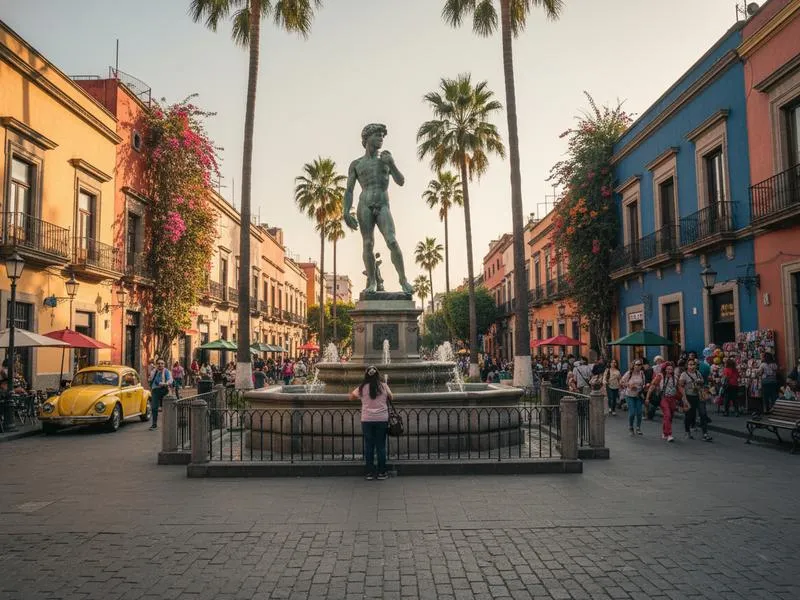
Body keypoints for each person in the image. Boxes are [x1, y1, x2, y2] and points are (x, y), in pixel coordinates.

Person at [343, 123, 414, 295]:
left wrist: (392, 164)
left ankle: (403, 280)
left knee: (392, 240)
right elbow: (349, 189)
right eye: (377, 135)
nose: (381, 138)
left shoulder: (386, 159)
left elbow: (401, 181)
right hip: (364, 204)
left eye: (382, 135)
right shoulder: (356, 164)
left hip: (382, 204)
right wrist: (346, 211)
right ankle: (372, 282)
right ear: (366, 139)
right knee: (368, 243)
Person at [350, 366, 392, 480]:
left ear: (366, 375)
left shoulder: (362, 387)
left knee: (369, 446)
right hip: (381, 419)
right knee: (381, 446)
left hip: (367, 419)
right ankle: (382, 472)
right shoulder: (383, 386)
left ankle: (369, 473)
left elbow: (351, 397)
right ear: (378, 375)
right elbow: (391, 397)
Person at [647, 361, 682, 442]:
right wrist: (647, 398)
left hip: (672, 399)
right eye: (668, 369)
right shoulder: (660, 376)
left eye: (671, 369)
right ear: (665, 369)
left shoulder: (675, 377)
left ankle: (665, 432)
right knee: (667, 414)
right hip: (664, 398)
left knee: (669, 416)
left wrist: (684, 398)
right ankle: (669, 434)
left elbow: (679, 388)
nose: (670, 370)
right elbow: (652, 386)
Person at [679, 358, 712, 442]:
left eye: (693, 364)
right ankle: (687, 431)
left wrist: (700, 382)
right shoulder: (684, 374)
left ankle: (705, 434)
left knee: (703, 414)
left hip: (699, 396)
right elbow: (681, 386)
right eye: (690, 364)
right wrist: (684, 398)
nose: (692, 366)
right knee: (690, 415)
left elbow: (703, 382)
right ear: (687, 366)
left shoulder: (698, 373)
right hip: (689, 396)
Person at [621, 360, 647, 435]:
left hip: (638, 395)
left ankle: (638, 427)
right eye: (637, 364)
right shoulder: (629, 373)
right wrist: (629, 385)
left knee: (639, 412)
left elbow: (643, 384)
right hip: (629, 395)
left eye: (640, 364)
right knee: (632, 413)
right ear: (633, 365)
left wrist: (645, 386)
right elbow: (621, 382)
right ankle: (631, 427)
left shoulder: (642, 373)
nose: (639, 366)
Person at [149, 359, 172, 431]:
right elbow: (152, 380)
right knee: (154, 407)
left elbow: (170, 379)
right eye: (158, 363)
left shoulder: (166, 371)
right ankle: (154, 424)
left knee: (167, 408)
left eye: (162, 363)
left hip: (164, 390)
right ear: (156, 364)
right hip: (155, 390)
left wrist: (166, 383)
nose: (160, 365)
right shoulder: (154, 371)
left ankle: (169, 424)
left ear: (164, 365)